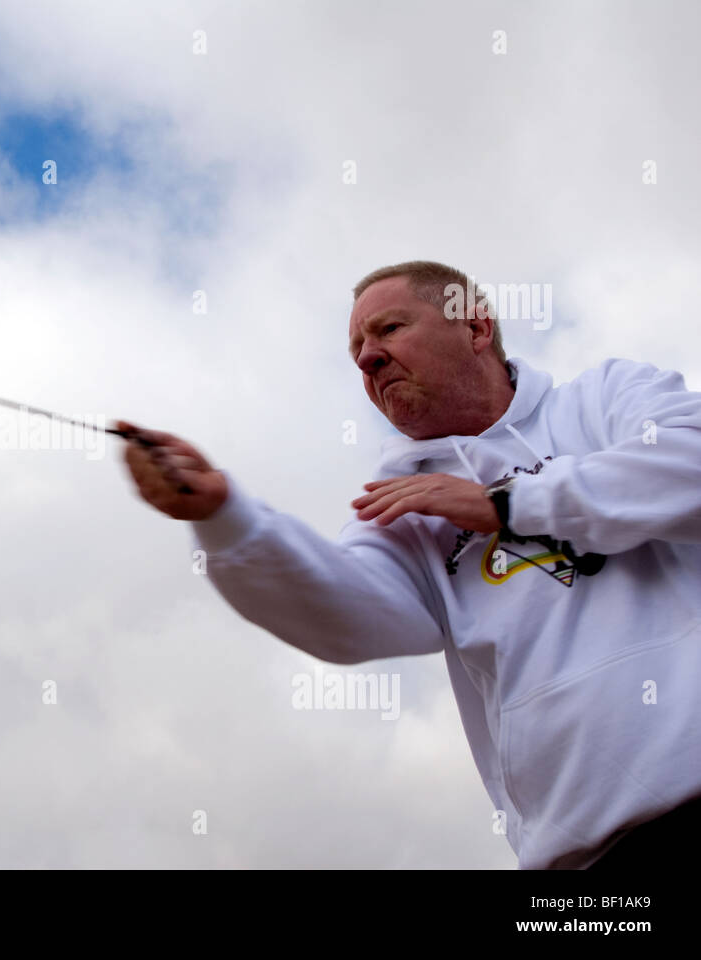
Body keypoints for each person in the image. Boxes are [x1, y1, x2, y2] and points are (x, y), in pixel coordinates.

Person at [119, 260, 701, 869]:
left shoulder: (603, 399)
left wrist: (506, 504)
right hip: (581, 867)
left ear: (475, 328)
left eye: (389, 329)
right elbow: (343, 614)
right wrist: (222, 514)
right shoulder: (401, 504)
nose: (368, 359)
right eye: (357, 351)